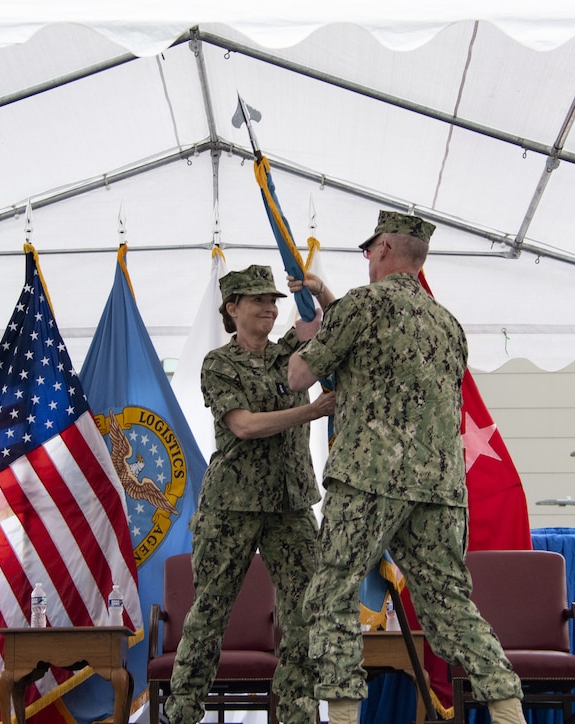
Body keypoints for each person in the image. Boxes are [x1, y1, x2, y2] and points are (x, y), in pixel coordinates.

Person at [287, 211, 525, 724]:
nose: (367, 259)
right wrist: (328, 298)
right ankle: (509, 712)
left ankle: (346, 717)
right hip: (439, 489)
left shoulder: (361, 307)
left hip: (367, 482)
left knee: (331, 592)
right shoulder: (447, 325)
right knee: (450, 605)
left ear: (385, 250)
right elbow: (379, 338)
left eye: (369, 250)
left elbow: (300, 375)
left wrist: (306, 335)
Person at [164, 265, 336, 724]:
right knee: (210, 613)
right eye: (257, 299)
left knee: (305, 613)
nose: (269, 307)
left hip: (290, 504)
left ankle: (299, 715)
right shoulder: (219, 364)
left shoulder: (293, 354)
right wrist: (311, 411)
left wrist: (317, 291)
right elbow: (241, 426)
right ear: (232, 308)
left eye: (274, 299)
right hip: (231, 507)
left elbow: (340, 325)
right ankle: (181, 713)